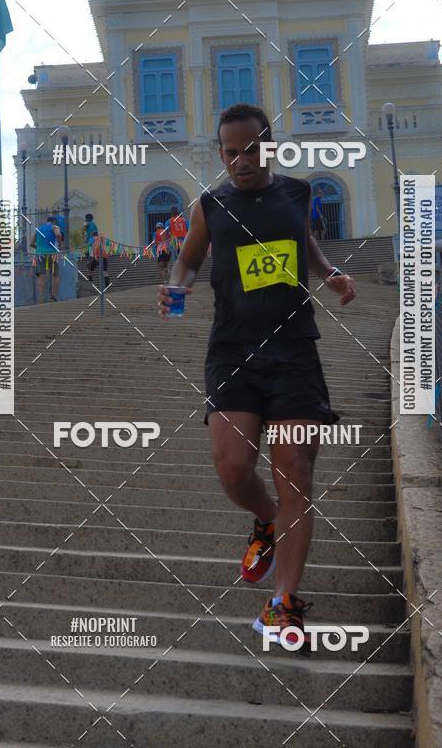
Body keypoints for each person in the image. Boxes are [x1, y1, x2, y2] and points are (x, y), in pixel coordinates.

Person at [157, 103, 357, 645]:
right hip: (233, 351)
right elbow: (189, 260)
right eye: (229, 153)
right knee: (233, 469)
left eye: (250, 149)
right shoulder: (211, 205)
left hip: (294, 351)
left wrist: (330, 272)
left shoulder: (297, 192)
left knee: (297, 470)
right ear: (220, 154)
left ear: (270, 146)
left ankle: (283, 603)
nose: (241, 162)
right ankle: (266, 519)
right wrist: (177, 286)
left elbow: (303, 242)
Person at [31, 215, 63, 302]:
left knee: (41, 276)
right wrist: (60, 246)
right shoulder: (54, 227)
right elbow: (58, 235)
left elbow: (31, 243)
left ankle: (41, 297)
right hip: (52, 253)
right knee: (55, 275)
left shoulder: (38, 229)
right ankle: (53, 296)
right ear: (54, 222)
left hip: (39, 255)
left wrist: (39, 248)